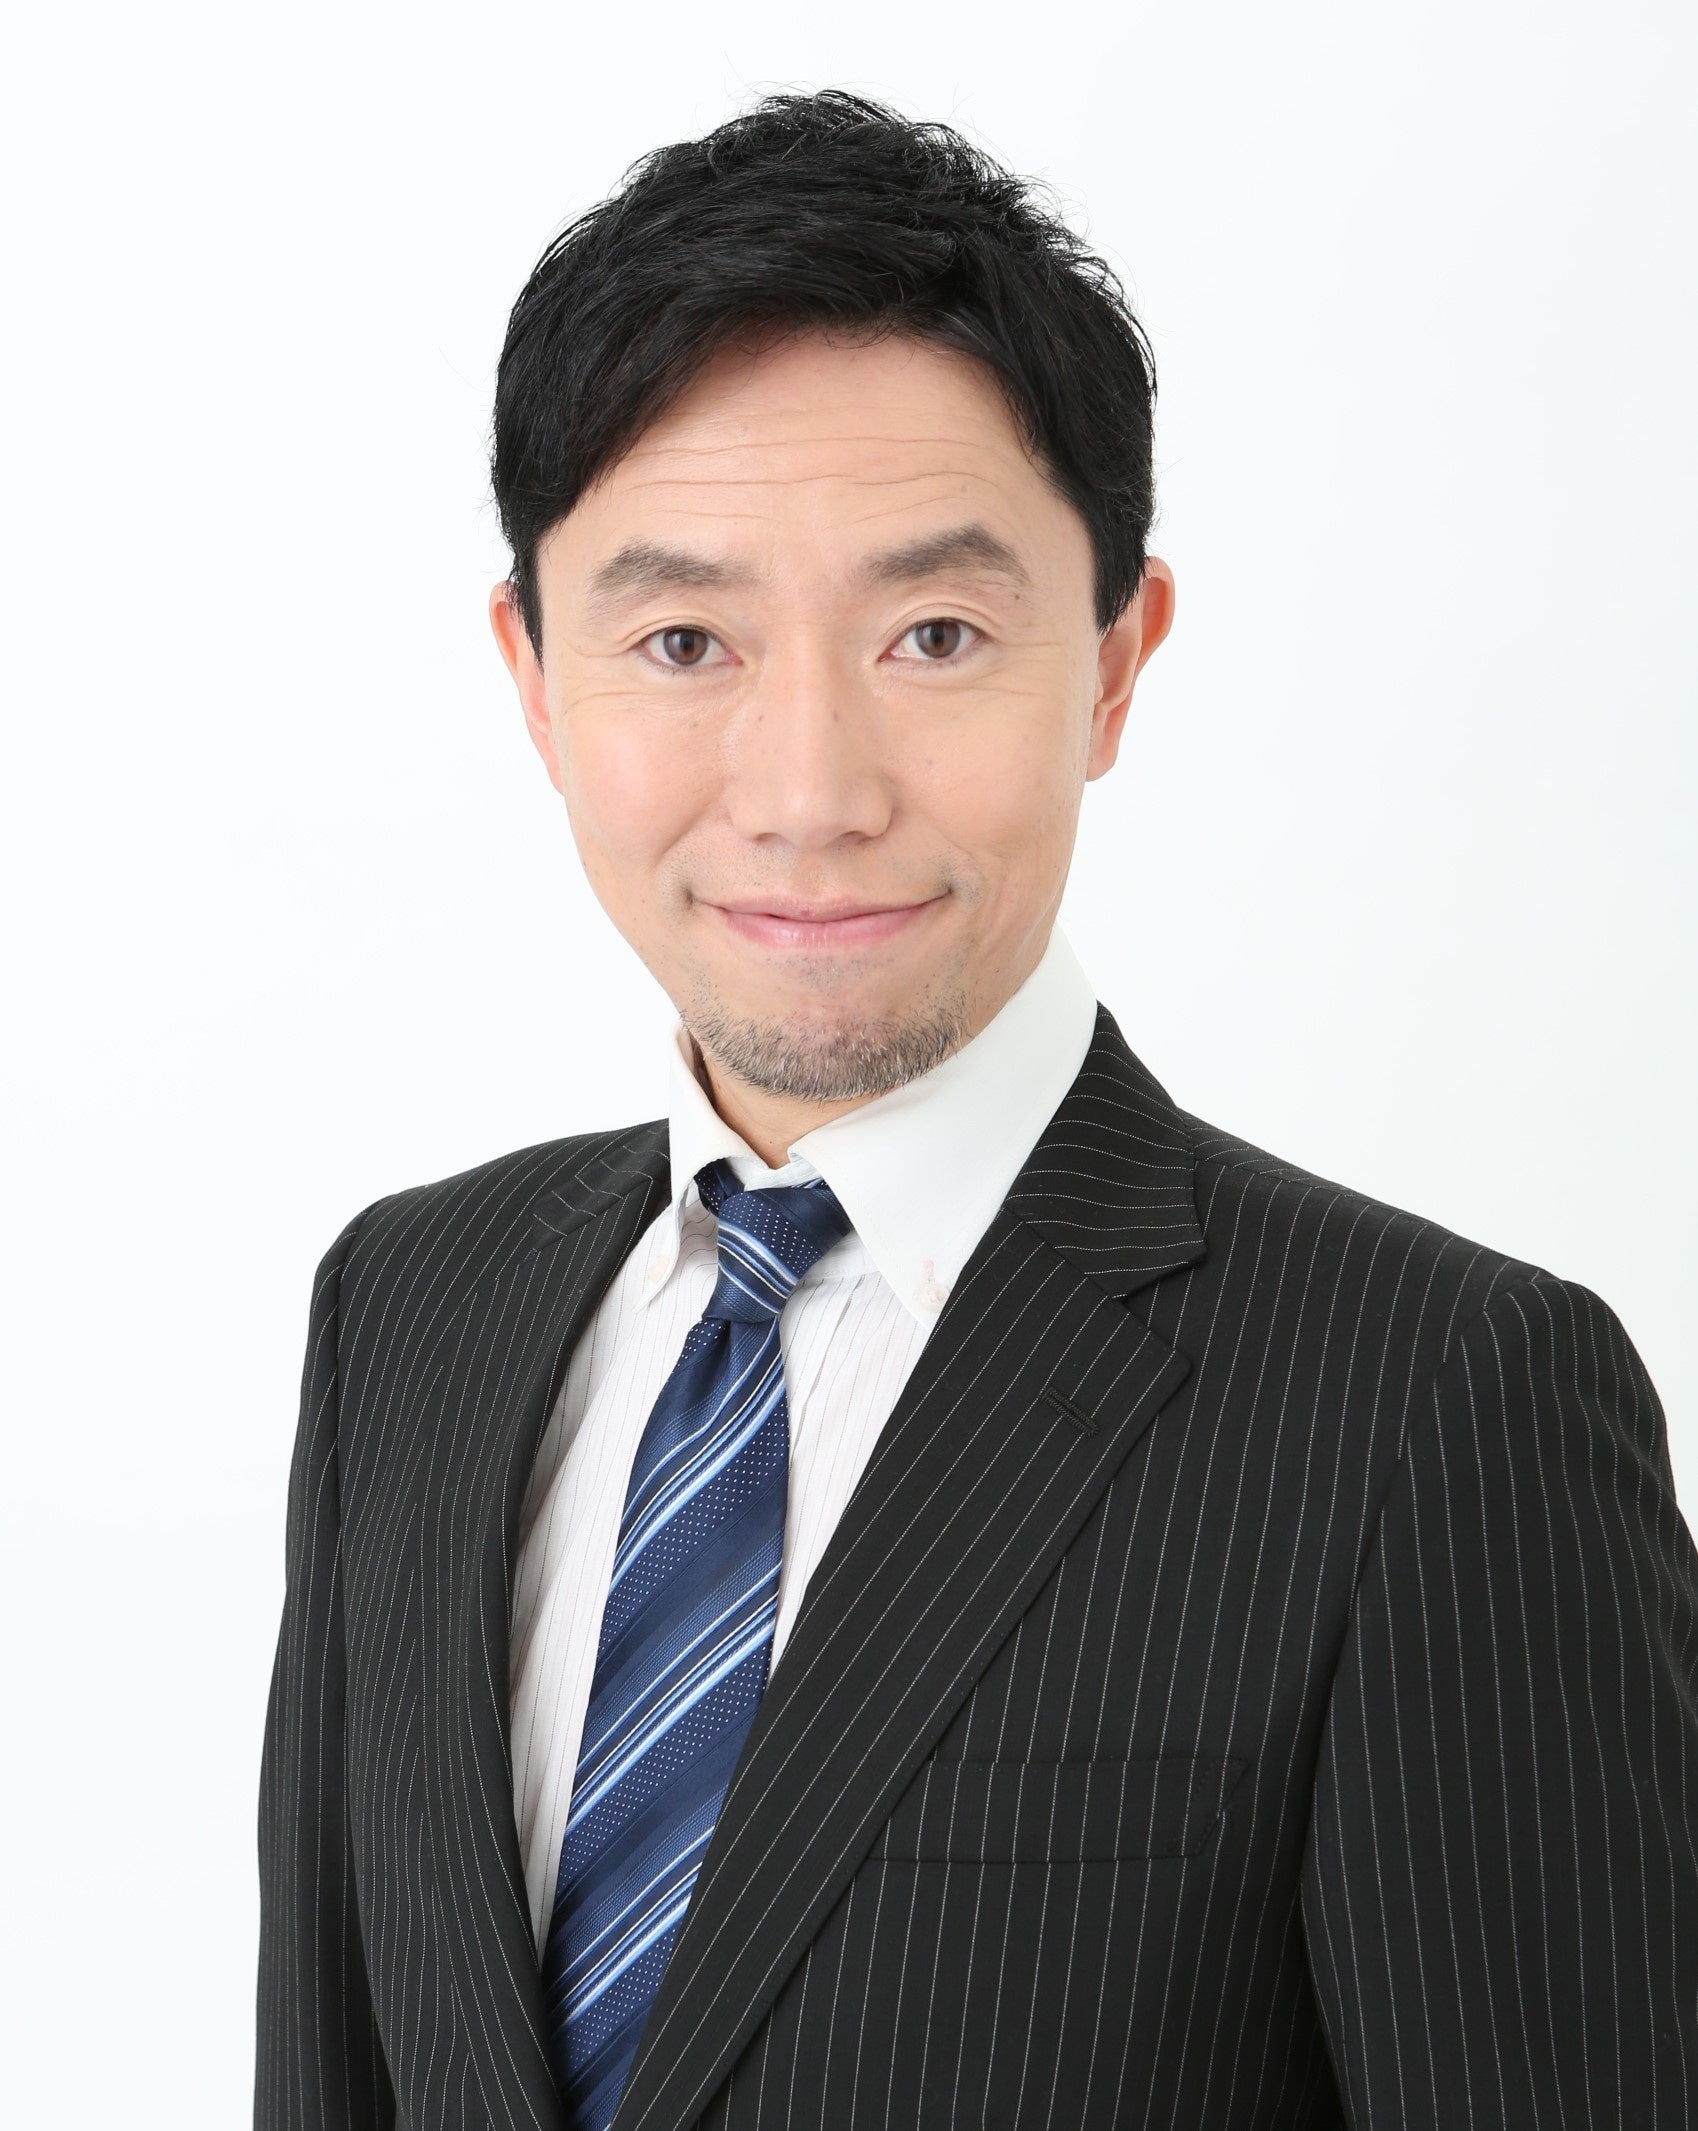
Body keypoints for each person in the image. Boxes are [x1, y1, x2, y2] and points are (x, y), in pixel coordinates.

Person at [254, 88, 1698, 2131]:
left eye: (933, 635)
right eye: (682, 640)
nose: (809, 789)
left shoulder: (1438, 1402)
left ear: (1113, 664)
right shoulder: (412, 1310)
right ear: (536, 678)